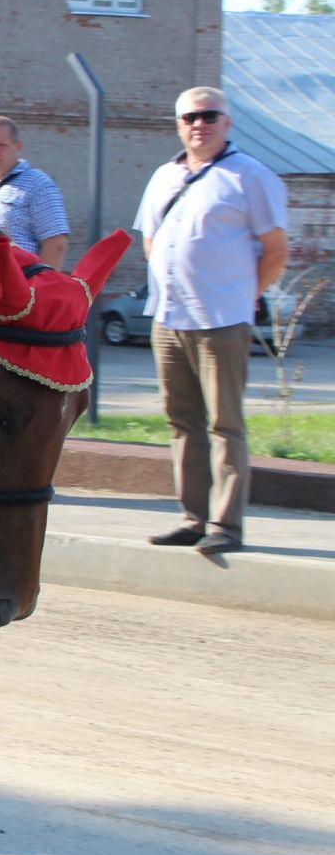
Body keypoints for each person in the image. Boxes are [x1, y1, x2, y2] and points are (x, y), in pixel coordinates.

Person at [134, 87, 289, 554]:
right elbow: (151, 240)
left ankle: (226, 526)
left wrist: (242, 296)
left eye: (209, 116)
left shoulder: (250, 176)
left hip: (221, 319)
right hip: (168, 317)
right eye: (189, 117)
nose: (198, 124)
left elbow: (276, 250)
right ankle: (191, 518)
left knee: (225, 424)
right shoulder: (164, 175)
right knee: (181, 420)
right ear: (178, 124)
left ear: (227, 123)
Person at [0, 116, 69, 268]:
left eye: (1, 145)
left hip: (17, 285)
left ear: (17, 146)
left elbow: (56, 244)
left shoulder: (38, 184)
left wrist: (38, 288)